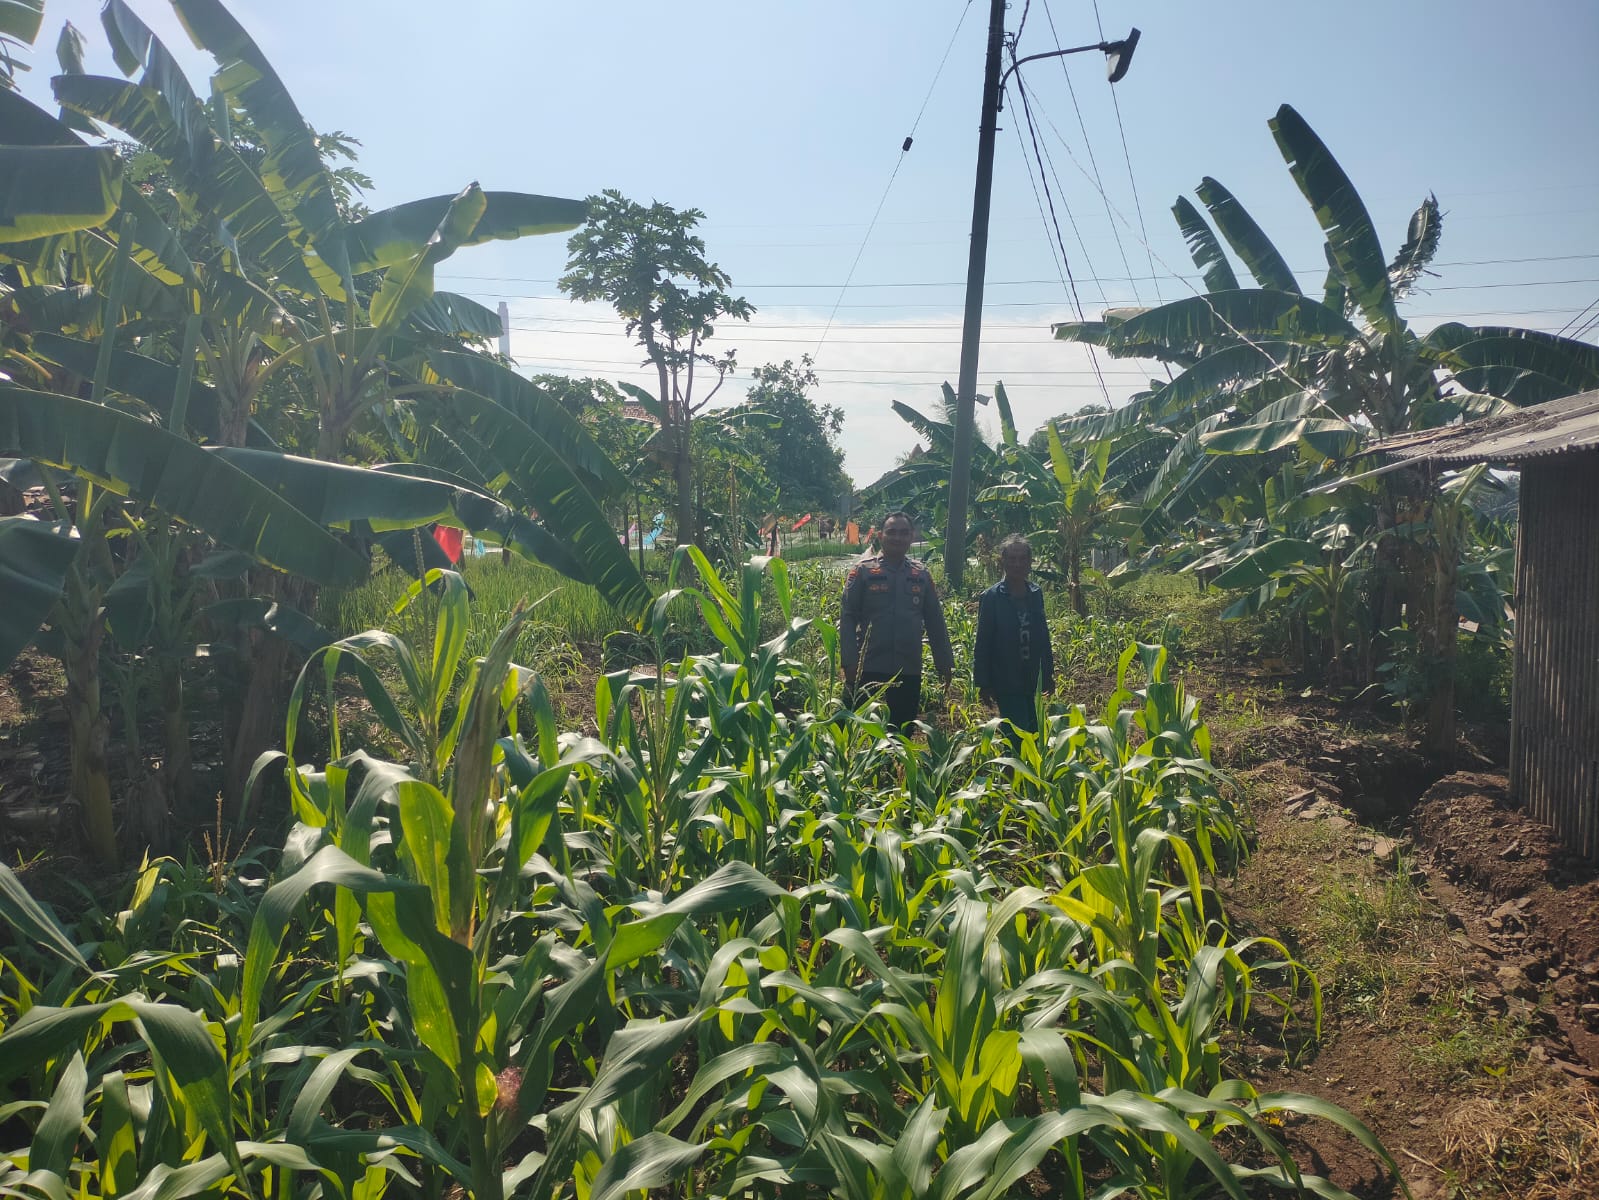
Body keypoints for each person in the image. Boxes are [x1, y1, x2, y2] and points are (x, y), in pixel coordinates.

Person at [839, 511, 954, 728]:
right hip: (868, 665)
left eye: (903, 533)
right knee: (851, 727)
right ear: (880, 536)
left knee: (903, 729)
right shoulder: (863, 571)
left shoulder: (921, 575)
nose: (897, 538)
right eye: (891, 532)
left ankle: (896, 752)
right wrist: (849, 661)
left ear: (911, 537)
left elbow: (935, 621)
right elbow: (847, 618)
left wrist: (944, 662)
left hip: (907, 667)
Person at [973, 534, 1055, 738]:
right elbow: (983, 642)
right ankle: (1012, 760)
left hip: (1031, 676)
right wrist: (983, 682)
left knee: (1035, 731)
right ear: (1003, 561)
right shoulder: (992, 597)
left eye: (1022, 559)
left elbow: (1043, 636)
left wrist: (1048, 673)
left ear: (1029, 562)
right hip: (1006, 679)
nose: (1017, 564)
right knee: (1017, 735)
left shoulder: (1035, 593)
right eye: (1012, 559)